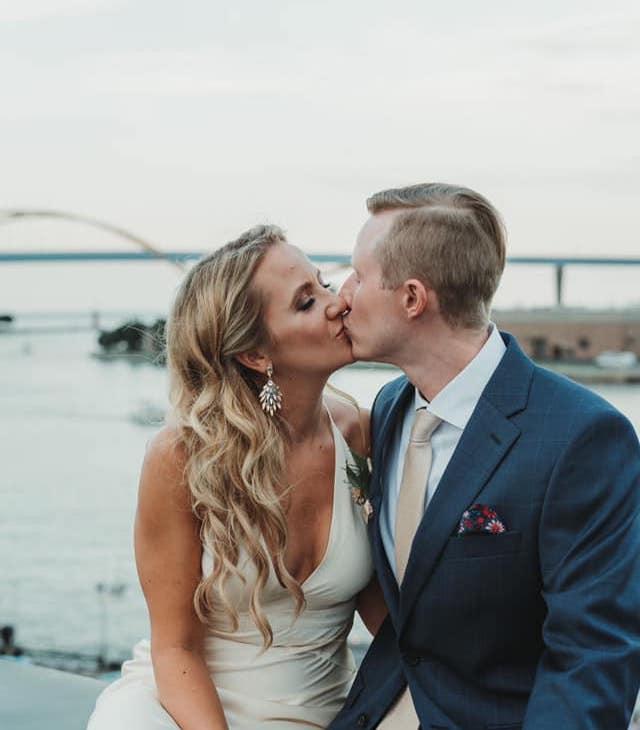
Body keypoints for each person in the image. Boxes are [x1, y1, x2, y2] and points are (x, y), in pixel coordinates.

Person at [329, 183, 640, 729]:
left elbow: (593, 657)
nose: (342, 295)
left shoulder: (582, 438)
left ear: (412, 299)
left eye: (358, 275)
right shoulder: (391, 407)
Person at [87, 225, 386, 730]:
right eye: (306, 302)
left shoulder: (361, 435)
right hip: (185, 711)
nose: (337, 303)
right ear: (256, 355)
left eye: (323, 284)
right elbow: (175, 648)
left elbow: (386, 614)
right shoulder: (181, 458)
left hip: (322, 714)